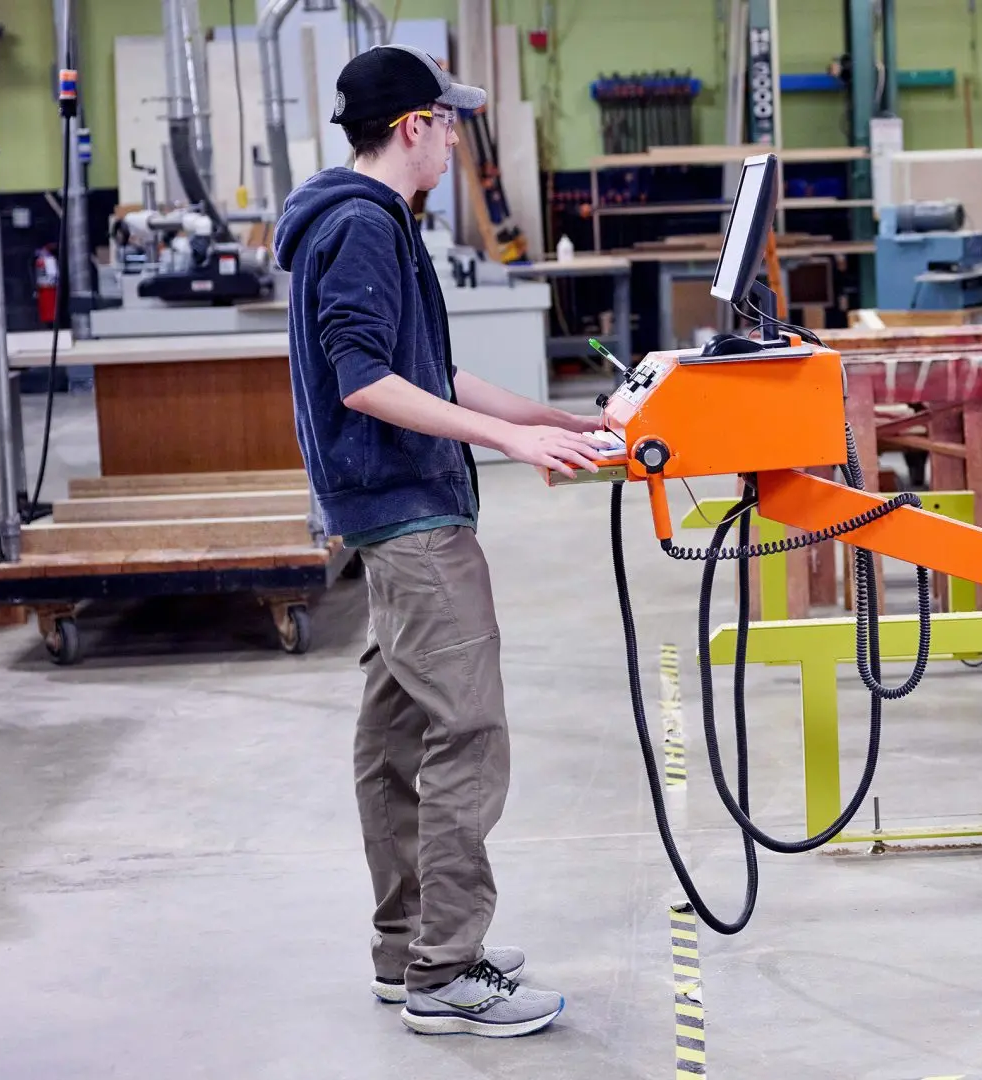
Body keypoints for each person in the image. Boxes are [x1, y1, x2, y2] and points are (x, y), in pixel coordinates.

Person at [274, 43, 604, 1038]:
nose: (456, 137)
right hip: (413, 517)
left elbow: (434, 377)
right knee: (469, 729)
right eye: (447, 120)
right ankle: (446, 969)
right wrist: (508, 442)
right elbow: (364, 380)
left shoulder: (358, 221)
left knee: (395, 736)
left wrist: (556, 418)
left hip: (386, 513)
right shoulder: (366, 227)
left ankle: (403, 948)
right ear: (413, 126)